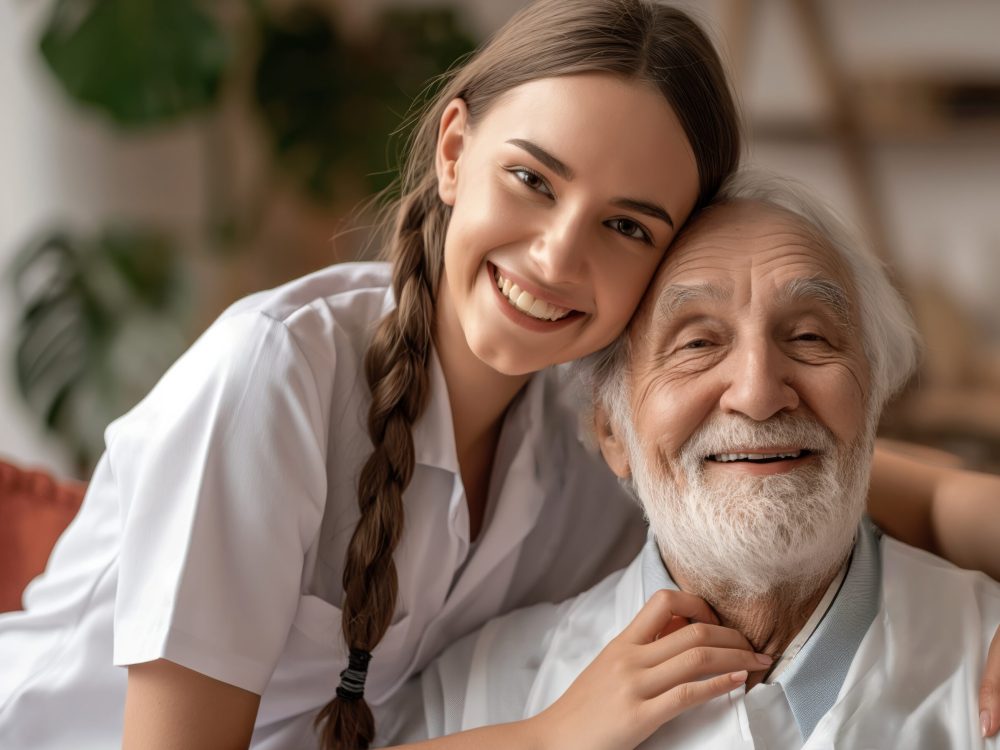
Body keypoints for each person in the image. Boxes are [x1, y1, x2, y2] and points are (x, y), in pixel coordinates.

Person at [0, 2, 998, 748]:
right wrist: (555, 734)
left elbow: (915, 492)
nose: (558, 258)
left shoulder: (592, 421)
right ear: (452, 149)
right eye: (532, 179)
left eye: (626, 226)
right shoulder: (277, 375)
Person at [398, 173, 1000, 749]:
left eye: (811, 337)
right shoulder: (477, 694)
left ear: (873, 400)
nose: (759, 393)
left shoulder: (984, 649)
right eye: (697, 343)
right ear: (612, 431)